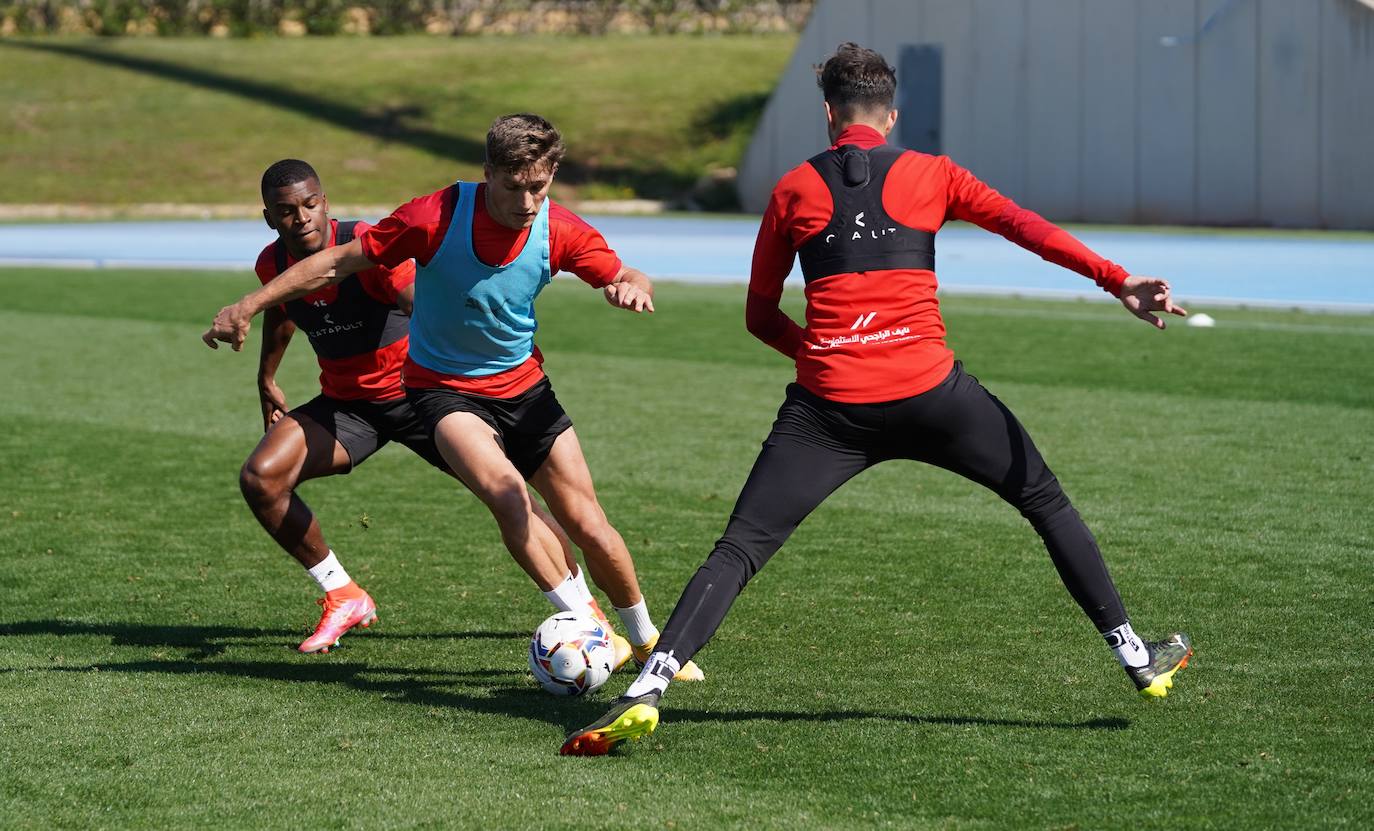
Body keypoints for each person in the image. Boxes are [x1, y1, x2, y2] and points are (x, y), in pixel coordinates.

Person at [562, 43, 1192, 756]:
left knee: (739, 547)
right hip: (934, 393)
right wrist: (1120, 281)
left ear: (828, 113)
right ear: (889, 117)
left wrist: (832, 355)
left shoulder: (792, 189)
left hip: (828, 409)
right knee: (1043, 500)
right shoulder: (934, 173)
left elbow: (759, 316)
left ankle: (649, 686)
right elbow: (1028, 230)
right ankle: (1137, 656)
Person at [204, 120, 702, 682]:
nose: (526, 202)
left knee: (586, 521)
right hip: (438, 392)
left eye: (538, 186)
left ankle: (645, 640)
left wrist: (633, 285)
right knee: (508, 497)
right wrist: (250, 315)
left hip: (521, 387)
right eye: (513, 186)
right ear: (488, 173)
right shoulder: (431, 217)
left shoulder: (560, 228)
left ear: (552, 176)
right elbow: (326, 274)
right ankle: (585, 623)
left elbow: (627, 271)